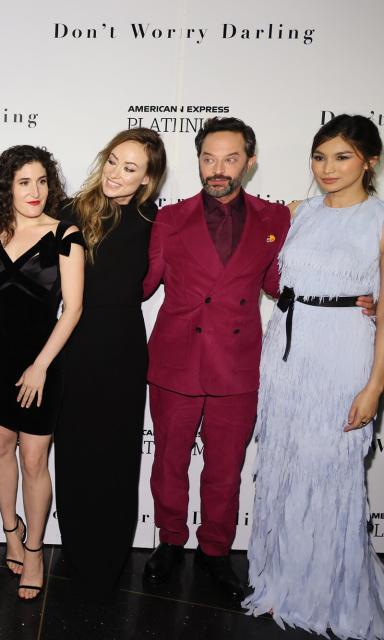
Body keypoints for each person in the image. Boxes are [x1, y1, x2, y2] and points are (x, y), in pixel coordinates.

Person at [244, 114, 384, 638]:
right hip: (286, 352)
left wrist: (374, 385)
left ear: (368, 160)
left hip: (343, 352)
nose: (328, 168)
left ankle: (328, 591)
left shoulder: (379, 219)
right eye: (320, 157)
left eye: (342, 157)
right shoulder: (298, 213)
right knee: (283, 465)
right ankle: (280, 580)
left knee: (331, 472)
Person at [141, 117, 290, 601]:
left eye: (230, 159)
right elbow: (142, 284)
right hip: (176, 360)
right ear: (198, 159)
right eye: (208, 158)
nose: (217, 169)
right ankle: (168, 541)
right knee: (168, 461)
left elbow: (278, 285)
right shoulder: (169, 218)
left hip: (238, 364)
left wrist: (352, 298)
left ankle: (216, 551)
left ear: (250, 161)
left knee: (226, 467)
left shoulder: (275, 220)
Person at [0, 145, 84, 600]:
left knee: (34, 459)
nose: (35, 191)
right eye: (23, 182)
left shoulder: (65, 233)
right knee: (0, 447)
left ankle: (34, 549)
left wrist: (40, 367)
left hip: (42, 363)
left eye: (42, 181)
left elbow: (72, 310)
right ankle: (10, 531)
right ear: (5, 187)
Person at [57, 129, 166, 601]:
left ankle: (111, 557)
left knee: (118, 455)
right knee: (77, 451)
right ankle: (78, 553)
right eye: (113, 161)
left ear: (147, 180)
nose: (116, 174)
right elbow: (17, 225)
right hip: (75, 343)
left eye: (130, 168)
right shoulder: (69, 211)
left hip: (123, 344)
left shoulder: (153, 220)